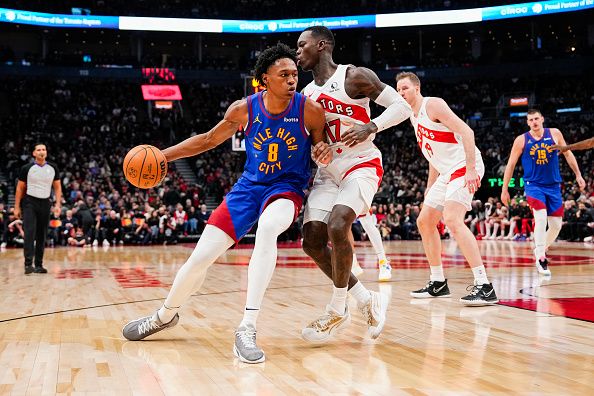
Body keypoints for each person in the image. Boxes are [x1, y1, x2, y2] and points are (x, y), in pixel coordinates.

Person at [122, 43, 330, 364]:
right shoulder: (243, 109)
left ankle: (247, 327)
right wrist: (164, 155)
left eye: (294, 74)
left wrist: (322, 153)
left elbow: (322, 149)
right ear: (264, 79)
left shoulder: (310, 110)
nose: (292, 80)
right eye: (283, 75)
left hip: (287, 189)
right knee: (199, 259)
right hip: (247, 189)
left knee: (268, 230)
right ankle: (164, 316)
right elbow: (206, 140)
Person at [297, 26, 412, 342]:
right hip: (327, 172)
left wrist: (371, 126)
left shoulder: (354, 76)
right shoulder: (305, 96)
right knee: (311, 242)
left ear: (321, 46)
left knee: (338, 225)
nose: (297, 52)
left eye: (301, 45)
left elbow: (402, 106)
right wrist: (315, 148)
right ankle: (364, 298)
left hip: (361, 163)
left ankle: (336, 310)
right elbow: (314, 141)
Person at [396, 72, 498, 306]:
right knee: (424, 221)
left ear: (417, 88)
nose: (401, 93)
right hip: (446, 172)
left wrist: (471, 169)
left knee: (452, 219)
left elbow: (467, 132)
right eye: (399, 90)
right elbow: (433, 155)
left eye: (405, 88)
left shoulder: (433, 104)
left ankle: (484, 286)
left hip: (464, 164)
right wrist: (430, 187)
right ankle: (438, 282)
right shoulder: (413, 116)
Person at [501, 109, 585, 275]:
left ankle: (541, 247)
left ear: (542, 119)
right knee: (540, 217)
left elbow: (568, 154)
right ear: (527, 122)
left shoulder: (554, 133)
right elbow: (510, 165)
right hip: (534, 185)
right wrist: (505, 189)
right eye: (531, 120)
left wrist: (578, 175)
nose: (534, 122)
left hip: (553, 185)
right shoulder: (521, 140)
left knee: (555, 226)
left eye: (536, 118)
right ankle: (541, 257)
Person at [14, 143, 62, 274]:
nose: (42, 151)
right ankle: (28, 264)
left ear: (46, 152)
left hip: (45, 203)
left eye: (44, 149)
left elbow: (57, 187)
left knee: (42, 234)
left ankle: (39, 264)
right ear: (34, 153)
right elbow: (20, 188)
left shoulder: (53, 168)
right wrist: (16, 207)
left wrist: (58, 205)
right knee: (29, 232)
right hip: (30, 202)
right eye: (39, 150)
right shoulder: (27, 168)